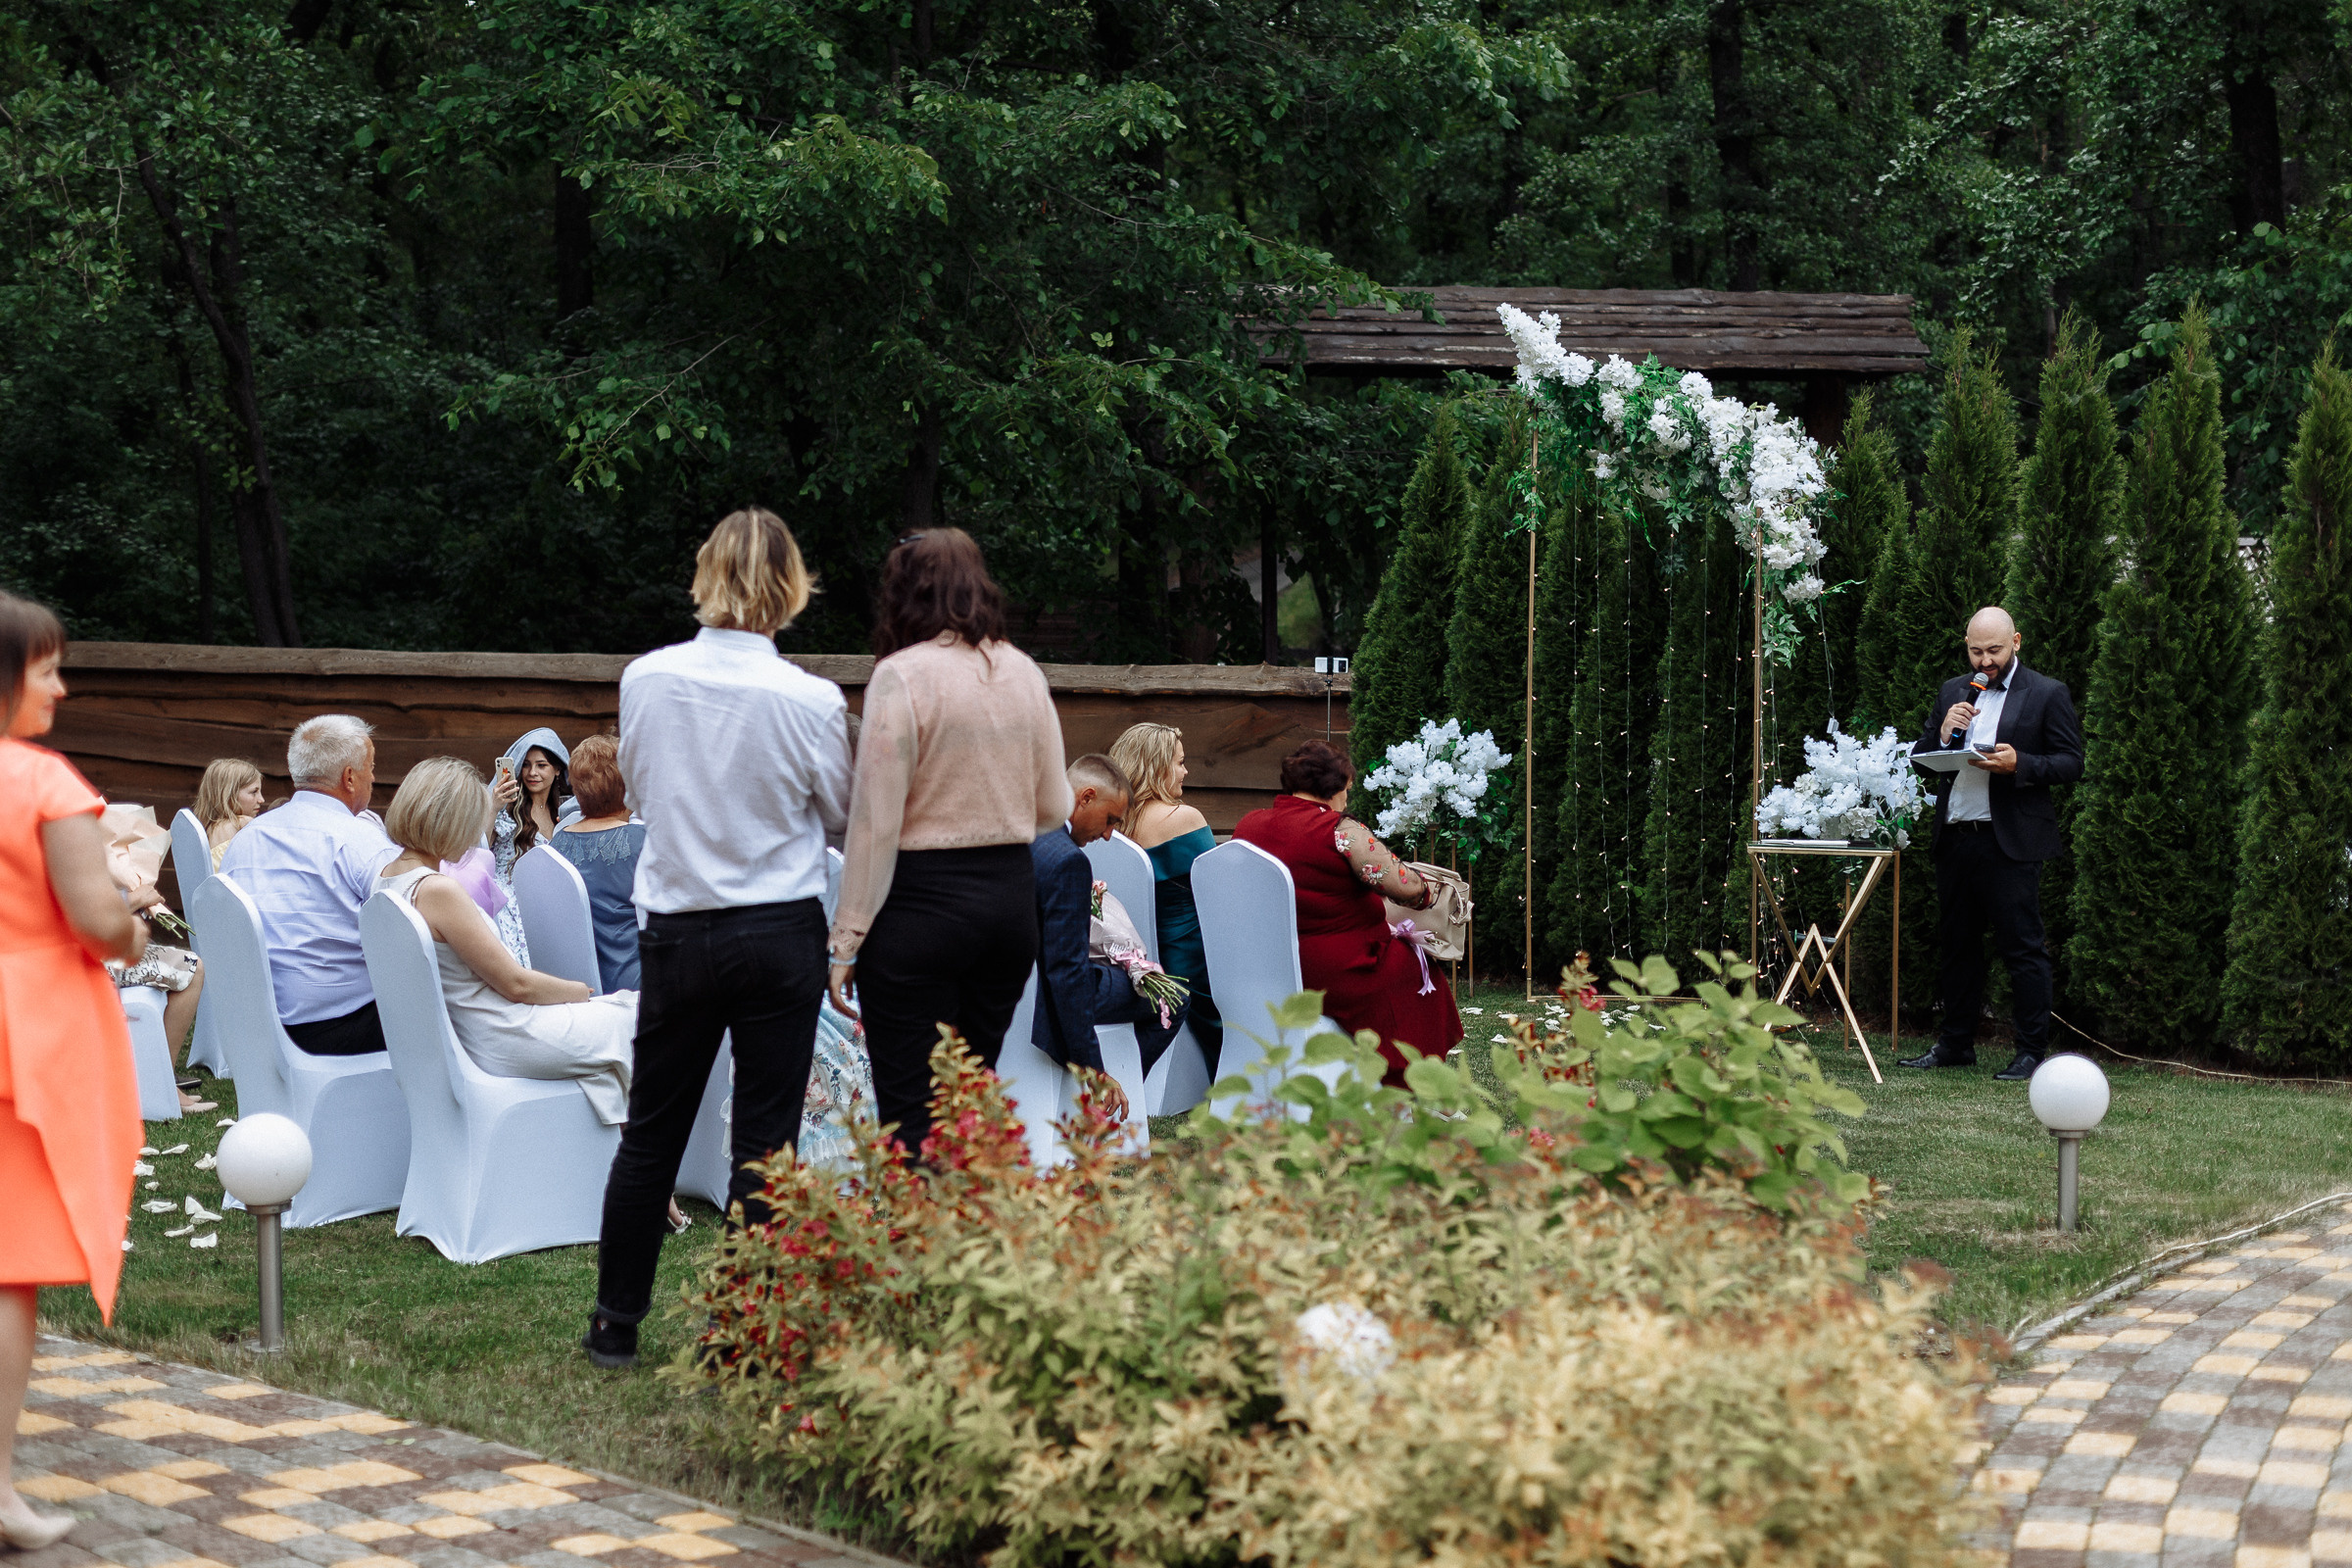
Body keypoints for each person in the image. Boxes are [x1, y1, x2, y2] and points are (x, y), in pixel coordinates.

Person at [588, 507, 853, 1371]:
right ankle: (743, 1335)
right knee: (765, 1141)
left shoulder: (648, 679)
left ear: (705, 575)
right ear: (790, 588)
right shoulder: (811, 699)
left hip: (679, 924)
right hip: (778, 928)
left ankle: (615, 1325)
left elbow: (647, 784)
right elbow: (840, 813)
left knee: (652, 1131)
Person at [827, 528, 1071, 1157]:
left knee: (912, 1112)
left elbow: (875, 823)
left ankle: (925, 1246)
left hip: (922, 911)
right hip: (1010, 909)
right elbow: (1055, 807)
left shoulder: (900, 677)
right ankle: (973, 1240)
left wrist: (847, 937)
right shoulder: (1023, 672)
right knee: (969, 1095)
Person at [0, 591, 146, 1552]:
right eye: (47, 667)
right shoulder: (43, 782)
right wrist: (136, 916)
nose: (61, 684)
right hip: (27, 1042)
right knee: (7, 1276)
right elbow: (96, 918)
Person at [377, 758, 636, 1124]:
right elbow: (517, 984)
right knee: (641, 1016)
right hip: (503, 1034)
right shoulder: (438, 890)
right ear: (448, 821)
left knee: (629, 1017)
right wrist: (583, 992)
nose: (474, 834)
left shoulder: (388, 879)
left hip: (472, 1033)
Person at [1898, 606, 2084, 1082]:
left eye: (1995, 650)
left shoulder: (2046, 693)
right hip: (1957, 836)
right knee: (1958, 946)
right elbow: (1922, 760)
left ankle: (2030, 1052)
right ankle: (1955, 1044)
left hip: (2010, 843)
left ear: (2016, 642)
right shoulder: (1952, 691)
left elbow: (2070, 763)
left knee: (2022, 948)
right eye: (1976, 651)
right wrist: (1941, 736)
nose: (1986, 661)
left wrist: (2019, 763)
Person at [1232, 739, 1462, 1085]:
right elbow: (1405, 886)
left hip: (1270, 962)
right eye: (1347, 790)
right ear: (1335, 786)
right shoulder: (1339, 831)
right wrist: (1431, 891)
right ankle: (1417, 1082)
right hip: (1339, 968)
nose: (1346, 799)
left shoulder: (1249, 826)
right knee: (1418, 971)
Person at [219, 714, 401, 1055]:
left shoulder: (246, 840)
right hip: (341, 1024)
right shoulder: (361, 840)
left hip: (257, 1024)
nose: (374, 778)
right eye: (371, 768)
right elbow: (404, 927)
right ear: (350, 777)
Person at [1029, 756, 1185, 1111]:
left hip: (1015, 990)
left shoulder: (1027, 831)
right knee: (1173, 997)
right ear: (1085, 797)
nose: (1108, 834)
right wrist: (1094, 1069)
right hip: (1054, 999)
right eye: (1110, 819)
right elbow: (1066, 974)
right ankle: (1116, 1094)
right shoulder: (1067, 860)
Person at [1107, 721, 1221, 1073]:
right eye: (1180, 762)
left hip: (1127, 957)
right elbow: (1217, 891)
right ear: (1157, 767)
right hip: (1188, 963)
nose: (1185, 771)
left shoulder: (1108, 826)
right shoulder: (1182, 818)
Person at [551, 734, 645, 993]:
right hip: (636, 988)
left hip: (571, 988)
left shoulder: (554, 845)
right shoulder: (644, 842)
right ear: (627, 785)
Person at [488, 728, 576, 963]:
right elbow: (480, 848)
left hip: (548, 903)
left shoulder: (565, 811)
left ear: (557, 769)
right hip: (508, 905)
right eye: (526, 765)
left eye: (541, 765)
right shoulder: (507, 808)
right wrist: (493, 807)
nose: (532, 773)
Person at [194, 757, 266, 869]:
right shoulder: (242, 823)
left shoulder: (207, 831)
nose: (261, 799)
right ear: (228, 795)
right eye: (254, 792)